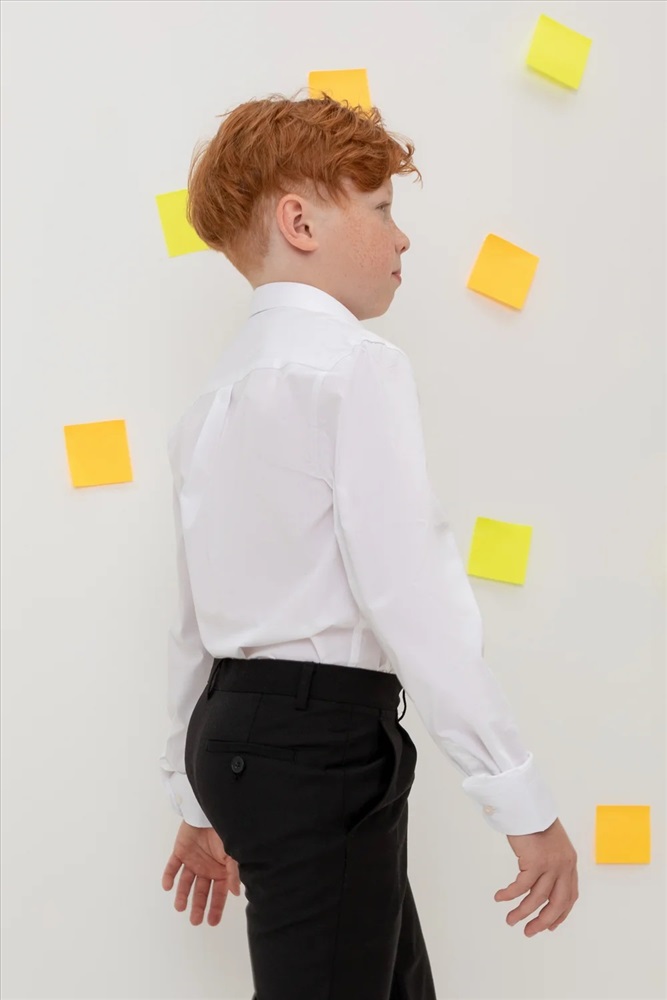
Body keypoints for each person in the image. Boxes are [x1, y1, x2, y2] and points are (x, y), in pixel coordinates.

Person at [159, 93, 579, 999]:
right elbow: (411, 595)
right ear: (299, 222)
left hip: (237, 735)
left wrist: (196, 794)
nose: (402, 238)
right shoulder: (353, 366)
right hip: (319, 746)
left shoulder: (214, 399)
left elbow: (193, 619)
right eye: (382, 208)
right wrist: (519, 798)